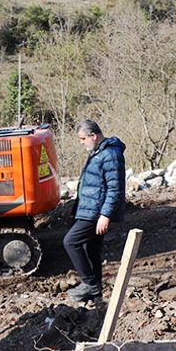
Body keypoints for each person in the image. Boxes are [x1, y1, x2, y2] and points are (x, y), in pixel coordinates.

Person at [63, 119, 126, 303]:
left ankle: (89, 283)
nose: (81, 142)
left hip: (96, 212)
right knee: (91, 249)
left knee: (70, 242)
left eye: (83, 139)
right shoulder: (98, 152)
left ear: (94, 136)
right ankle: (96, 292)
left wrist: (105, 215)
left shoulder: (110, 155)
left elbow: (115, 188)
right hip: (90, 209)